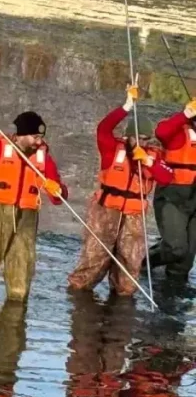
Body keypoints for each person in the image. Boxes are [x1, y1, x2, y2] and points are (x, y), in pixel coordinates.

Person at [68, 85, 172, 295]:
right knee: (95, 259)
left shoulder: (153, 156)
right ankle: (78, 297)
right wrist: (125, 106)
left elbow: (167, 176)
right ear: (128, 136)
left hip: (134, 215)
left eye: (146, 138)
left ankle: (121, 305)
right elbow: (103, 128)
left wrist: (148, 161)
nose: (142, 142)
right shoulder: (110, 148)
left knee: (129, 263)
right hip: (106, 210)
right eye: (138, 138)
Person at [0, 96, 66, 303]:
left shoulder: (43, 156)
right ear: (22, 134)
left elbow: (58, 196)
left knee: (21, 272)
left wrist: (58, 190)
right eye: (35, 137)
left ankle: (15, 319)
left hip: (27, 215)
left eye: (40, 137)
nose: (39, 142)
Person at [148, 97, 196, 278]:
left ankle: (173, 299)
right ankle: (146, 262)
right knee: (176, 249)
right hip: (173, 195)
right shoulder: (178, 129)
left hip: (194, 198)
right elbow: (161, 132)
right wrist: (186, 114)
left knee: (185, 261)